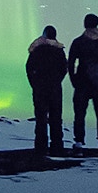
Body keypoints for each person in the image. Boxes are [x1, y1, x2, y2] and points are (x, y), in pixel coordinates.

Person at [68, 13, 98, 152]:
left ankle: (79, 142)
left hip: (82, 82)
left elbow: (70, 63)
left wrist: (74, 79)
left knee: (80, 113)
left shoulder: (78, 42)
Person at [25, 25, 67, 155]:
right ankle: (57, 147)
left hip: (40, 89)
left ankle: (40, 147)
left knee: (41, 118)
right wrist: (56, 81)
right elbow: (64, 69)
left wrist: (35, 83)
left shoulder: (36, 50)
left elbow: (29, 69)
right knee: (56, 118)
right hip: (55, 89)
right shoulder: (59, 51)